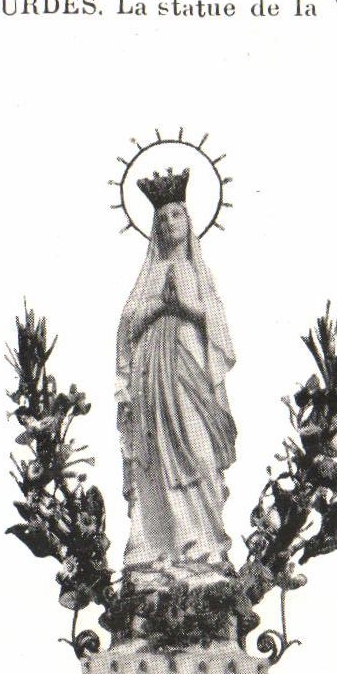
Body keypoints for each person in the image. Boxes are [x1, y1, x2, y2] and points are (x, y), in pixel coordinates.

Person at [116, 171, 237, 582]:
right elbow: (126, 324)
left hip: (188, 370)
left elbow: (217, 322)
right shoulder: (149, 272)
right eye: (163, 218)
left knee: (200, 449)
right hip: (152, 376)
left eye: (176, 216)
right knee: (157, 458)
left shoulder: (197, 271)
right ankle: (163, 545)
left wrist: (186, 307)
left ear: (188, 221)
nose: (169, 224)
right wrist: (153, 309)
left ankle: (207, 544)